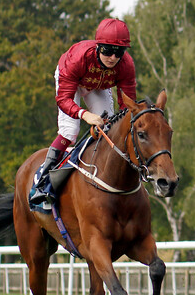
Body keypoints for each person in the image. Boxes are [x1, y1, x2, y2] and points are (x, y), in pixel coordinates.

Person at [29, 18, 137, 206]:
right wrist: (84, 114)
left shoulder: (126, 65)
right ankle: (43, 183)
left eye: (119, 52)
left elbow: (128, 105)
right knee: (70, 131)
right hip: (72, 83)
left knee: (109, 128)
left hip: (99, 86)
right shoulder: (79, 58)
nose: (112, 57)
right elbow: (64, 99)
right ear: (98, 46)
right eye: (107, 50)